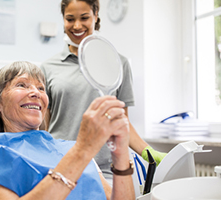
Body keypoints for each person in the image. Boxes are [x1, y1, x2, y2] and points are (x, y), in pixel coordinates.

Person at [0, 61, 135, 200]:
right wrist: (82, 151)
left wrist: (120, 157)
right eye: (22, 85)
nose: (36, 93)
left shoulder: (70, 149)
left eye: (41, 88)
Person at [40, 0, 166, 179]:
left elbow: (121, 121)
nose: (77, 25)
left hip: (104, 171)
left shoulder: (117, 64)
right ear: (63, 20)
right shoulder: (48, 68)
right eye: (70, 19)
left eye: (84, 17)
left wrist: (147, 151)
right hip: (59, 166)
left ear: (96, 15)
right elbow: (43, 125)